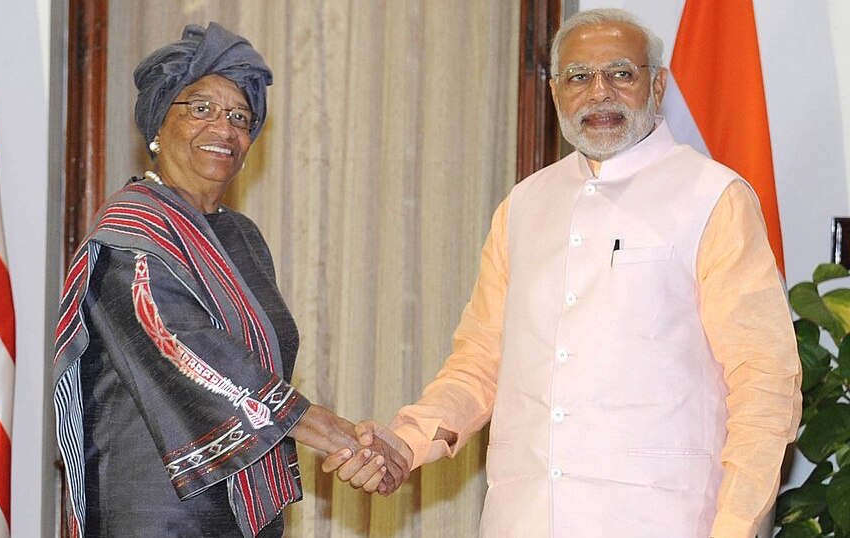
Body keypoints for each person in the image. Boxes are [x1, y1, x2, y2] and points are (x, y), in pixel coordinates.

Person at [325, 7, 802, 538]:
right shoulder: (524, 205)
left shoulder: (713, 197)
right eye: (578, 77)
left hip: (663, 520)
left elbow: (765, 381)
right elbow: (480, 363)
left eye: (621, 74)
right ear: (555, 93)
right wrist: (407, 442)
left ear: (658, 85)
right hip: (522, 519)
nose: (599, 93)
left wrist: (736, 524)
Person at [52, 22, 406, 538]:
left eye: (240, 116)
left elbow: (264, 364)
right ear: (157, 123)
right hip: (158, 514)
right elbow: (188, 352)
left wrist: (336, 435)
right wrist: (337, 436)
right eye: (200, 109)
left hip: (242, 510)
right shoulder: (131, 234)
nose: (224, 128)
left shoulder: (240, 237)